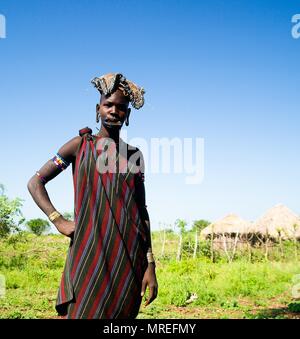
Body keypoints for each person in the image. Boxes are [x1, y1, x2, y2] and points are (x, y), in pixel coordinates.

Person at [27, 73, 158, 319]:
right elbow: (36, 182)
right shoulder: (79, 146)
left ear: (127, 115)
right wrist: (58, 220)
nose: (114, 111)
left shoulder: (134, 157)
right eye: (108, 105)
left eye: (121, 107)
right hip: (89, 253)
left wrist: (150, 263)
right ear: (97, 109)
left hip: (127, 260)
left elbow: (142, 211)